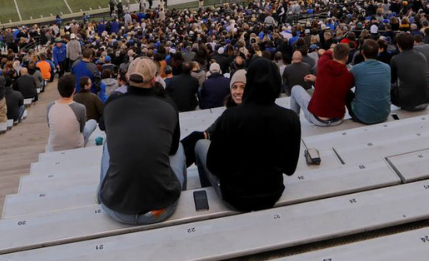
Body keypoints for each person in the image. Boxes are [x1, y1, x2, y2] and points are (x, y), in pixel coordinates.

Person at [190, 58, 301, 211]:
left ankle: (208, 190)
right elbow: (289, 169)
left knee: (200, 144)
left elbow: (214, 166)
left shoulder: (230, 116)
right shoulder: (291, 118)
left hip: (235, 198)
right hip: (272, 193)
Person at [97, 58, 184, 225]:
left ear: (128, 78)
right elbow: (172, 149)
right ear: (153, 79)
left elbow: (104, 127)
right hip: (162, 207)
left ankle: (105, 189)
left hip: (116, 208)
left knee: (108, 144)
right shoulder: (168, 105)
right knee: (178, 146)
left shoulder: (112, 104)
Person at [289, 43, 352, 126]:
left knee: (295, 88)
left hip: (317, 119)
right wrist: (317, 79)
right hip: (338, 119)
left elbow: (326, 53)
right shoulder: (349, 76)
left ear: (333, 54)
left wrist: (332, 50)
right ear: (347, 57)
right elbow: (335, 84)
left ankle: (293, 124)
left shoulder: (322, 63)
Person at [46, 73, 99, 152]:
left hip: (54, 147)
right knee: (93, 122)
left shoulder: (50, 106)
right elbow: (81, 129)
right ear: (74, 90)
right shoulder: (80, 108)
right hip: (76, 145)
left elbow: (50, 125)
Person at [349, 39, 391, 124]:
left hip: (362, 116)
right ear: (378, 52)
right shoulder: (386, 67)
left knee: (347, 93)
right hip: (384, 113)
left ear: (362, 52)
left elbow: (347, 86)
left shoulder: (355, 69)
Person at [390, 33, 429, 111]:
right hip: (427, 99)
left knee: (386, 85)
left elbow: (392, 80)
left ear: (398, 45)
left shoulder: (395, 59)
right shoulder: (421, 55)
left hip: (409, 104)